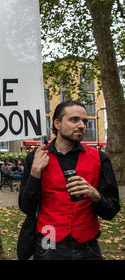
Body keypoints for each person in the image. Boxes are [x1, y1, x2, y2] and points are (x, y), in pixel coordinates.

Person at [18, 101, 120, 260]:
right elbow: (27, 207)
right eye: (74, 120)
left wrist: (96, 196)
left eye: (84, 121)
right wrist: (35, 172)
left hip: (88, 248)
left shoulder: (100, 159)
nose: (81, 125)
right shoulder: (36, 157)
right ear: (57, 123)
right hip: (48, 243)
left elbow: (111, 210)